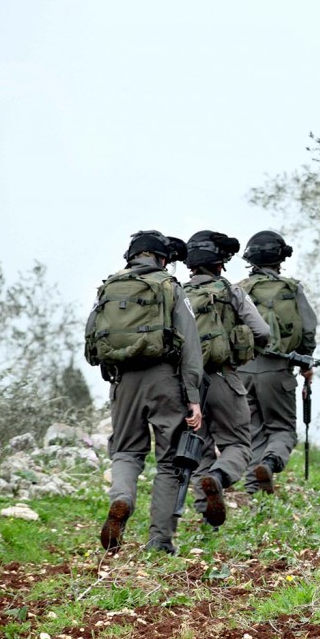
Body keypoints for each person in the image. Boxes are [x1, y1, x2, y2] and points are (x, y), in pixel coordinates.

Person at [85, 230, 203, 554]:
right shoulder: (170, 287)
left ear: (132, 256)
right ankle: (159, 542)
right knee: (169, 461)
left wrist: (114, 373)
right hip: (165, 380)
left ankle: (122, 498)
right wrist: (193, 398)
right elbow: (191, 346)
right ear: (162, 258)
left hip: (123, 381)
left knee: (125, 451)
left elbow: (91, 336)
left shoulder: (108, 287)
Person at [183, 231, 271, 527]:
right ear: (220, 263)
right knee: (238, 445)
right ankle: (218, 478)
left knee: (200, 448)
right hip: (223, 377)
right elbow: (262, 332)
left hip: (186, 385)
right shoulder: (231, 291)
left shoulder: (177, 294)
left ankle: (206, 519)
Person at [237, 231, 318, 494]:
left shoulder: (238, 290)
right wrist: (306, 364)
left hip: (243, 371)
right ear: (280, 259)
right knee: (283, 429)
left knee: (253, 431)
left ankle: (253, 490)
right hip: (279, 370)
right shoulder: (292, 289)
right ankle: (270, 464)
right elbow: (307, 330)